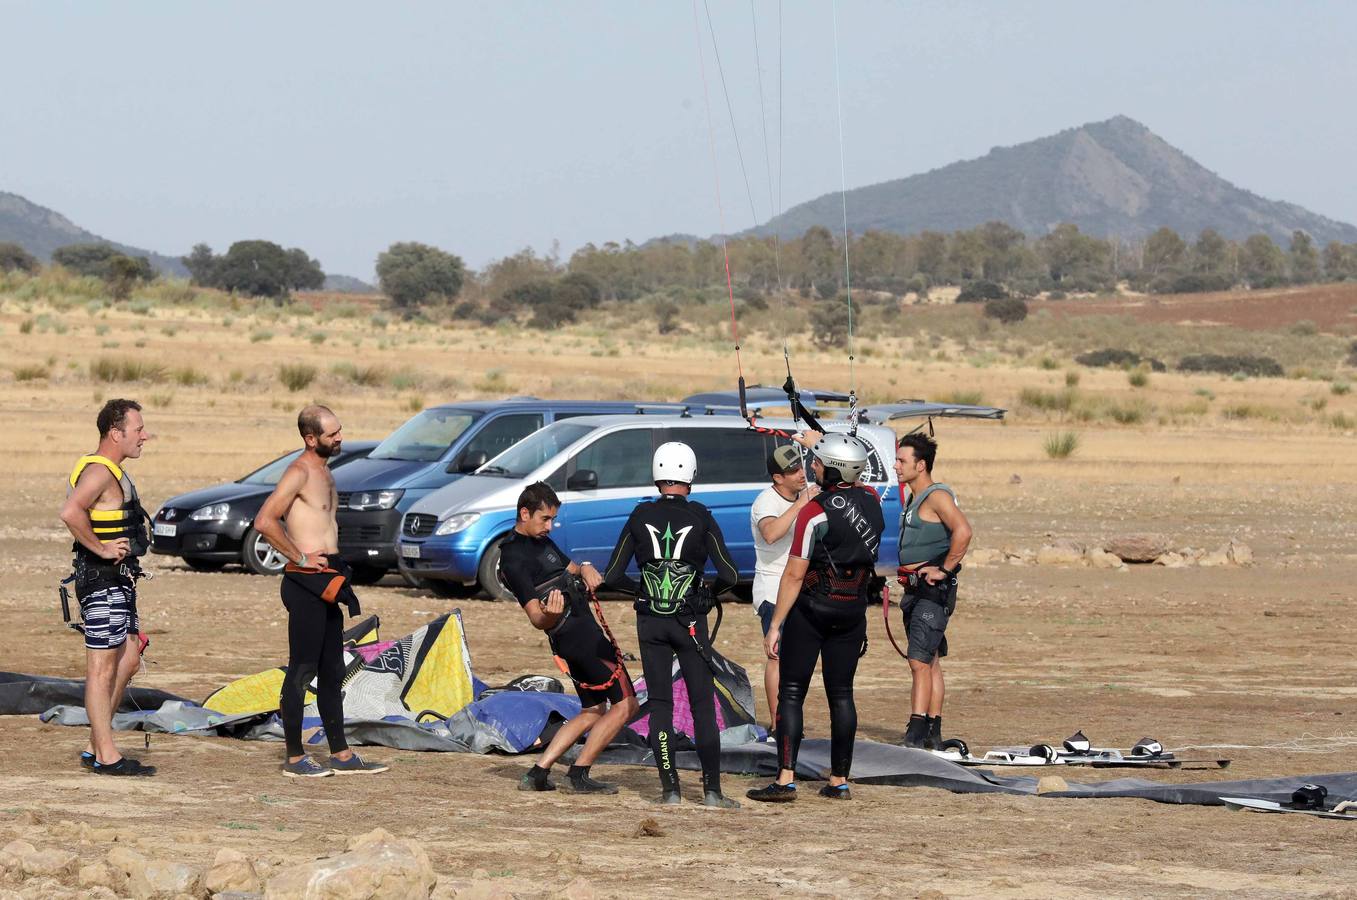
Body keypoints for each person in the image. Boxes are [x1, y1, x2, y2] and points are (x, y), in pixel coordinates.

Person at [602, 442, 741, 808]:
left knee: (660, 704)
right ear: (691, 476)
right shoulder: (701, 516)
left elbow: (613, 575)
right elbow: (729, 574)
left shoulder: (638, 515)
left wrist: (642, 591)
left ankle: (670, 790)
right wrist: (708, 595)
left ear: (656, 475)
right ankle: (712, 791)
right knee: (701, 705)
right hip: (690, 622)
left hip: (651, 622)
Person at [748, 431, 884, 803]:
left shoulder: (814, 511)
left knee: (792, 692)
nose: (812, 468)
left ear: (832, 470)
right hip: (853, 610)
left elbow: (793, 574)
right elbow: (856, 479)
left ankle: (785, 779)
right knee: (842, 694)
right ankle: (839, 779)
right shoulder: (873, 501)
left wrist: (775, 624)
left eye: (818, 463)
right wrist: (820, 439)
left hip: (812, 609)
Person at [253, 405, 388, 778]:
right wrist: (298, 555)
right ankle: (295, 758)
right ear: (311, 438)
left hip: (330, 577)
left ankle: (341, 755)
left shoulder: (325, 471)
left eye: (340, 430)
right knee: (302, 669)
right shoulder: (298, 472)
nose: (340, 437)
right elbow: (264, 520)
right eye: (332, 433)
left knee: (331, 671)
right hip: (304, 583)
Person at [502, 481, 639, 794]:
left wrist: (586, 568)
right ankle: (579, 774)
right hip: (579, 639)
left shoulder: (543, 543)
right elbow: (537, 617)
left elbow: (572, 568)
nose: (550, 526)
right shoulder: (513, 559)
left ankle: (538, 772)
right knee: (626, 705)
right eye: (544, 519)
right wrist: (550, 614)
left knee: (592, 711)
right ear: (525, 513)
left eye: (552, 519)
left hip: (580, 634)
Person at [59, 399, 155, 776]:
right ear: (116, 433)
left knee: (129, 659)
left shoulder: (112, 470)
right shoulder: (100, 472)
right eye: (138, 429)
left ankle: (95, 742)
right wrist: (99, 547)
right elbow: (71, 512)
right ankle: (106, 755)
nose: (145, 436)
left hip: (120, 581)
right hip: (100, 580)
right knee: (101, 668)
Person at [894, 432, 972, 750]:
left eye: (902, 460)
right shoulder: (915, 498)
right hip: (914, 591)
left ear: (921, 465)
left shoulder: (936, 495)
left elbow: (963, 531)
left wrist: (945, 569)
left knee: (917, 661)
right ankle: (933, 731)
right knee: (930, 661)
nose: (896, 465)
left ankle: (915, 731)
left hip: (932, 593)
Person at [748, 444, 818, 733]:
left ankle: (791, 717)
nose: (801, 475)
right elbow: (771, 534)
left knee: (798, 658)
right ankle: (780, 723)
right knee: (777, 655)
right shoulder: (765, 502)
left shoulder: (808, 490)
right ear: (778, 478)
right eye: (793, 472)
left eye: (801, 468)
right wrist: (800, 505)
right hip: (773, 589)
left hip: (801, 587)